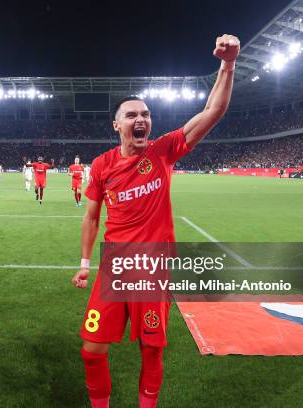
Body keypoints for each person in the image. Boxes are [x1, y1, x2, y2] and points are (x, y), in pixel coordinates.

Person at [71, 34, 240, 408]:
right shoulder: (102, 166)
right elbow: (91, 216)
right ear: (116, 125)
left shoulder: (163, 151)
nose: (141, 119)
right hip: (114, 267)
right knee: (91, 349)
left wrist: (228, 65)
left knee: (152, 350)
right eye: (132, 115)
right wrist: (85, 264)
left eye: (145, 114)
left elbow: (212, 112)